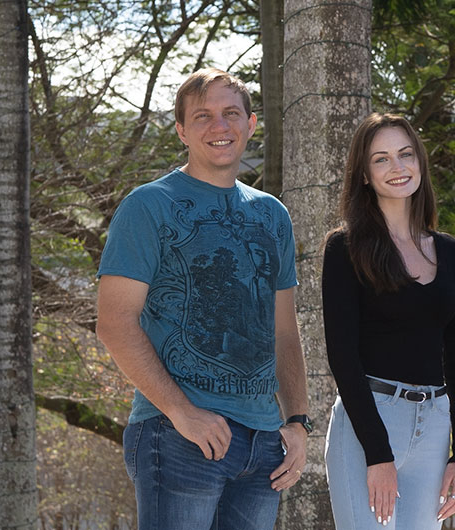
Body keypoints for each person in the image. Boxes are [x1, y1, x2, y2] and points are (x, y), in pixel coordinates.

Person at [96, 68, 307, 529]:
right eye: (204, 116)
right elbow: (114, 323)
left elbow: (284, 330)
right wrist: (181, 413)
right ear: (182, 130)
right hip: (180, 439)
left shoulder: (272, 215)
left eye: (232, 114)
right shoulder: (149, 205)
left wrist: (297, 421)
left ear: (251, 125)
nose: (220, 127)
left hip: (263, 445)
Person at [320, 113, 455, 529]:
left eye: (406, 155)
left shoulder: (451, 253)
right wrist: (378, 453)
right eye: (382, 159)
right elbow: (343, 357)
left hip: (434, 424)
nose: (398, 167)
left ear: (420, 162)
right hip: (369, 422)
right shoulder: (345, 248)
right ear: (365, 175)